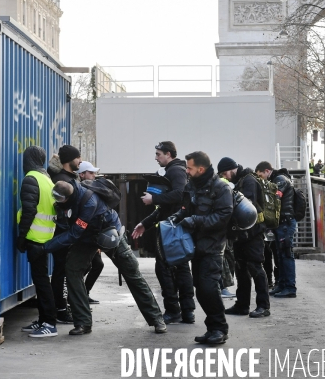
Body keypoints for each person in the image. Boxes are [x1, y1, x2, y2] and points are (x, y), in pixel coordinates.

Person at [45, 180, 167, 335]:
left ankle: (157, 319)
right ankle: (83, 322)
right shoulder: (68, 195)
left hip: (109, 234)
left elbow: (74, 233)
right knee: (72, 269)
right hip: (88, 237)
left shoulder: (89, 202)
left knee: (132, 273)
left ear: (68, 197)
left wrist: (46, 247)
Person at [170, 151, 233, 344]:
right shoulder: (192, 186)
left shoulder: (221, 188)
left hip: (213, 247)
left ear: (201, 169)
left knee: (209, 288)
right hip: (195, 246)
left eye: (189, 168)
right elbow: (185, 209)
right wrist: (177, 218)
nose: (186, 171)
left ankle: (220, 329)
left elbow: (223, 217)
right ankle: (212, 328)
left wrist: (195, 220)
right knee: (201, 288)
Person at [131, 141, 195, 325]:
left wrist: (154, 198)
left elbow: (178, 194)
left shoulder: (175, 171)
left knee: (165, 269)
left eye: (158, 154)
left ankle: (174, 311)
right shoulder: (177, 170)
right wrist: (145, 223)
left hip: (172, 229)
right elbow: (166, 207)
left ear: (168, 154)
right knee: (180, 268)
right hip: (174, 226)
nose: (156, 158)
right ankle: (186, 312)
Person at [217, 157, 270, 318]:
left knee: (255, 268)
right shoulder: (240, 180)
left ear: (231, 168)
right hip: (241, 234)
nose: (224, 177)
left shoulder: (249, 181)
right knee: (241, 270)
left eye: (225, 173)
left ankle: (263, 306)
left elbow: (248, 206)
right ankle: (242, 305)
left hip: (253, 234)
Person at [16, 146, 59, 337]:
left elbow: (29, 212)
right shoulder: (46, 179)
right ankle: (43, 320)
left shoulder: (31, 179)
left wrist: (21, 237)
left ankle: (49, 323)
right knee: (41, 281)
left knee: (42, 283)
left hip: (35, 238)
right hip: (46, 237)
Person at [48, 145, 83, 324]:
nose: (80, 161)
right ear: (70, 159)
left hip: (65, 232)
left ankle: (62, 307)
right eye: (78, 157)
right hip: (63, 232)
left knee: (62, 271)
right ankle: (61, 310)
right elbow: (63, 209)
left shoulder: (68, 178)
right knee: (61, 272)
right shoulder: (63, 181)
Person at [255, 161, 297, 298]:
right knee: (280, 255)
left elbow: (275, 198)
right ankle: (282, 284)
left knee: (286, 255)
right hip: (282, 223)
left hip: (286, 222)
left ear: (267, 171)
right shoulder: (277, 179)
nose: (262, 179)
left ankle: (290, 287)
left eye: (261, 175)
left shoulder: (281, 180)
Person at [76, 161, 104, 304]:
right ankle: (78, 295)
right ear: (81, 174)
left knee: (97, 265)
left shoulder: (90, 189)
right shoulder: (79, 190)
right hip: (81, 237)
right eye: (91, 173)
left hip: (89, 236)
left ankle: (84, 293)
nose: (94, 175)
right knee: (80, 268)